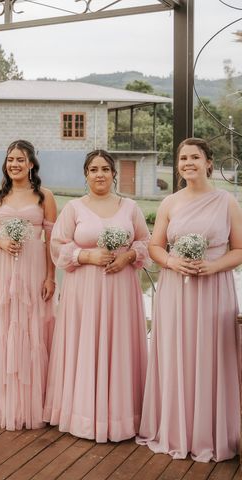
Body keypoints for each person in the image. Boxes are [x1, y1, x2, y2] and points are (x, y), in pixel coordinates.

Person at [137, 138, 242, 462]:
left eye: (195, 157)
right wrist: (171, 262)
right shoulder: (170, 202)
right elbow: (155, 247)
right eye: (183, 158)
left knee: (211, 355)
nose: (188, 163)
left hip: (213, 289)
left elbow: (239, 250)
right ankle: (174, 429)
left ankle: (209, 432)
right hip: (175, 290)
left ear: (209, 162)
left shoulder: (228, 201)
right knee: (176, 354)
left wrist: (212, 266)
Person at [43, 149, 150, 442]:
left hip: (121, 290)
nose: (99, 174)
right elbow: (57, 247)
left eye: (105, 169)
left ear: (113, 173)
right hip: (85, 292)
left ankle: (122, 416)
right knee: (86, 343)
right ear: (86, 175)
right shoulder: (74, 209)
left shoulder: (130, 207)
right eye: (93, 169)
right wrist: (86, 255)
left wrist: (128, 256)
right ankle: (84, 415)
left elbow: (145, 241)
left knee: (119, 346)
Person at [0, 140, 57, 430]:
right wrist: (1, 241)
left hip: (33, 269)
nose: (14, 164)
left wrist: (50, 277)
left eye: (21, 160)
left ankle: (34, 403)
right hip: (2, 270)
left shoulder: (44, 197)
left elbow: (52, 241)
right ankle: (3, 401)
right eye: (10, 159)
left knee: (32, 328)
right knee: (2, 330)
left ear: (32, 164)